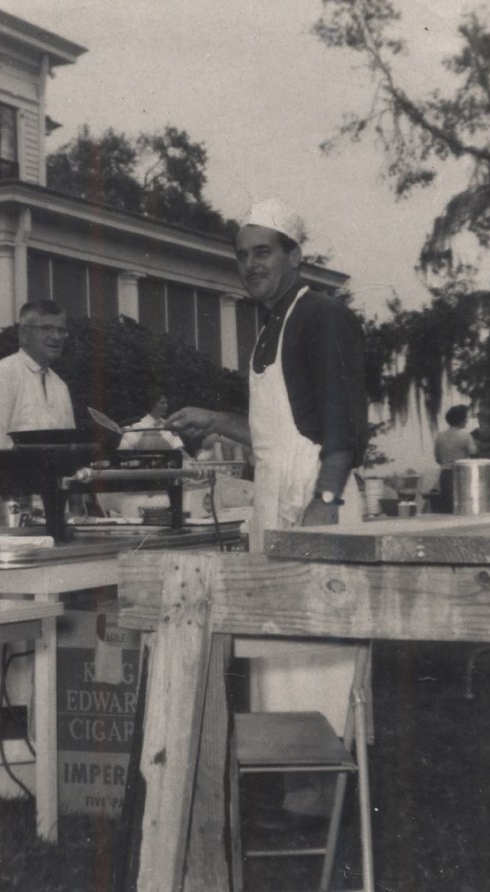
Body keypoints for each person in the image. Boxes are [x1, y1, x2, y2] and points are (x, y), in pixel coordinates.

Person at [168, 197, 368, 823]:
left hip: (315, 494)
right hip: (277, 491)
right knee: (281, 645)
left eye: (263, 251)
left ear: (294, 256)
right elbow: (273, 433)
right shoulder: (268, 325)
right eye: (241, 254)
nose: (249, 264)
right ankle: (295, 778)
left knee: (320, 646)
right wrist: (211, 417)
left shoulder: (321, 316)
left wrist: (326, 502)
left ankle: (327, 783)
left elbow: (342, 423)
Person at [0, 299, 75, 524]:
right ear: (24, 334)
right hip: (7, 513)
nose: (56, 337)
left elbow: (68, 454)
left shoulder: (60, 386)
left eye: (61, 330)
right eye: (47, 328)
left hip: (53, 512)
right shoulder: (1, 375)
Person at [431, 404, 474, 512]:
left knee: (447, 505)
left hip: (445, 472)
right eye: (466, 417)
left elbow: (438, 458)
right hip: (461, 473)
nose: (467, 420)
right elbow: (474, 454)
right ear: (460, 419)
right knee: (462, 506)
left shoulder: (440, 436)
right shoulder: (465, 436)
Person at [118, 391, 185, 451]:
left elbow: (177, 445)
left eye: (166, 403)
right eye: (162, 403)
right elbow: (128, 448)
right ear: (152, 405)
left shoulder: (167, 424)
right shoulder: (139, 425)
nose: (166, 406)